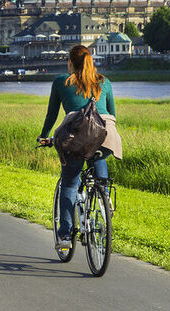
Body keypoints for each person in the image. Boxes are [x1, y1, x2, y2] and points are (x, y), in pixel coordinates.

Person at [37, 44, 123, 251]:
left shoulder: (61, 82)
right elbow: (111, 112)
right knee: (98, 160)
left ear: (70, 62)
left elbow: (51, 115)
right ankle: (103, 196)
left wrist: (44, 136)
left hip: (76, 137)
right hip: (105, 135)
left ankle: (65, 235)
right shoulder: (105, 82)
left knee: (69, 184)